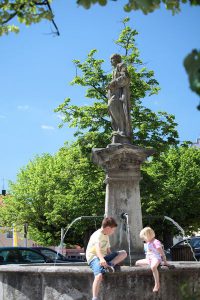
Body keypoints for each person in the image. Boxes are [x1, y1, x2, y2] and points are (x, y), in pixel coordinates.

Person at [86, 216, 127, 300]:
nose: (113, 232)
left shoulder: (106, 236)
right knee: (99, 275)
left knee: (123, 253)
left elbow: (108, 251)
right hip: (94, 257)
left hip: (104, 258)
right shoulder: (97, 235)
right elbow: (97, 249)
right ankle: (94, 298)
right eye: (113, 230)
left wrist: (115, 259)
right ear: (108, 228)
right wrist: (101, 259)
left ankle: (110, 264)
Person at [135, 227, 169, 293]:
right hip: (149, 259)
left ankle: (157, 284)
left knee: (153, 267)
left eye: (143, 238)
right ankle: (148, 275)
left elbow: (162, 253)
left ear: (148, 235)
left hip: (156, 258)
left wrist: (165, 262)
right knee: (137, 263)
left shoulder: (156, 242)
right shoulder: (148, 243)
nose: (143, 240)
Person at [108, 54, 132, 142]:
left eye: (112, 59)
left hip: (119, 93)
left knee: (116, 108)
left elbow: (125, 78)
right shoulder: (114, 70)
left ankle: (122, 130)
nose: (110, 61)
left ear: (117, 59)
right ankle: (118, 129)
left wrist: (114, 82)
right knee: (111, 109)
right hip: (113, 93)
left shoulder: (121, 65)